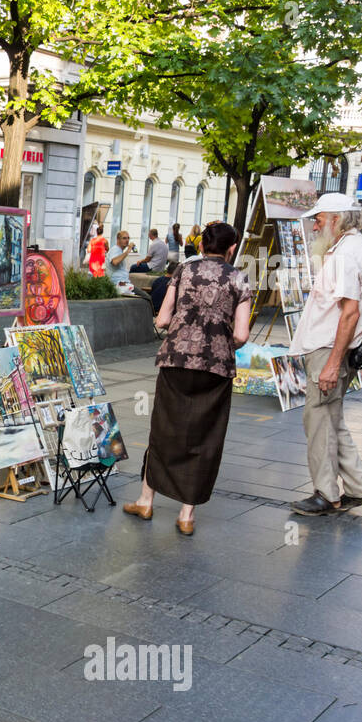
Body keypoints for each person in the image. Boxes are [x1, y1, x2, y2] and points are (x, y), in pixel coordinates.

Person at [123, 222, 252, 535]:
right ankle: (186, 516)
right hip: (216, 368)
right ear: (231, 248)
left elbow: (163, 318)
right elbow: (241, 334)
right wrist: (220, 343)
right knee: (205, 437)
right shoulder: (239, 279)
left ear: (203, 245)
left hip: (176, 360)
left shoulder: (182, 271)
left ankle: (146, 500)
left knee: (164, 428)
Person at [287, 193, 362, 517]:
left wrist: (330, 364)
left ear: (336, 220)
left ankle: (326, 494)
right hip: (347, 348)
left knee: (318, 421)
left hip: (330, 348)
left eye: (319, 219)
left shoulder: (344, 255)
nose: (314, 225)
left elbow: (350, 314)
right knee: (332, 418)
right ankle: (359, 487)